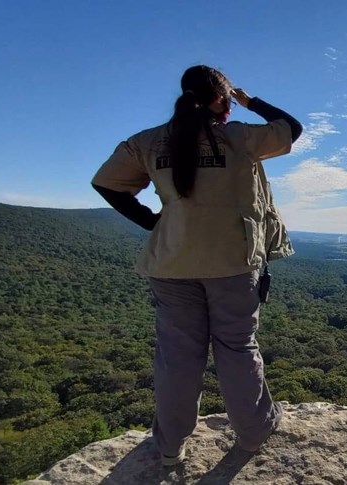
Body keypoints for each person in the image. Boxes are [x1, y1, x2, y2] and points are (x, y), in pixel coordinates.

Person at [91, 65, 303, 466]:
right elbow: (290, 128)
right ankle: (254, 432)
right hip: (233, 263)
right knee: (238, 347)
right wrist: (249, 100)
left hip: (171, 263)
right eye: (227, 98)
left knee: (177, 355)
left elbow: (107, 183)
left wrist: (154, 223)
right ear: (221, 99)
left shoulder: (148, 142)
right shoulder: (238, 137)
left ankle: (170, 446)